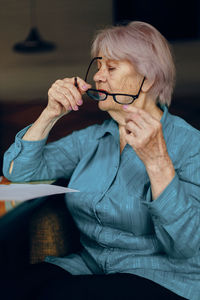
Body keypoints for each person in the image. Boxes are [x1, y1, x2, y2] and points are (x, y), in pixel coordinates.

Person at [2, 21, 200, 300]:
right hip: (91, 266)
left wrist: (158, 163)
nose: (98, 77)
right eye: (98, 67)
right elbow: (17, 171)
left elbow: (188, 247)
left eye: (111, 68)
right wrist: (50, 114)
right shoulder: (92, 138)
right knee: (9, 287)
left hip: (162, 277)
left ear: (149, 79)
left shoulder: (190, 144)